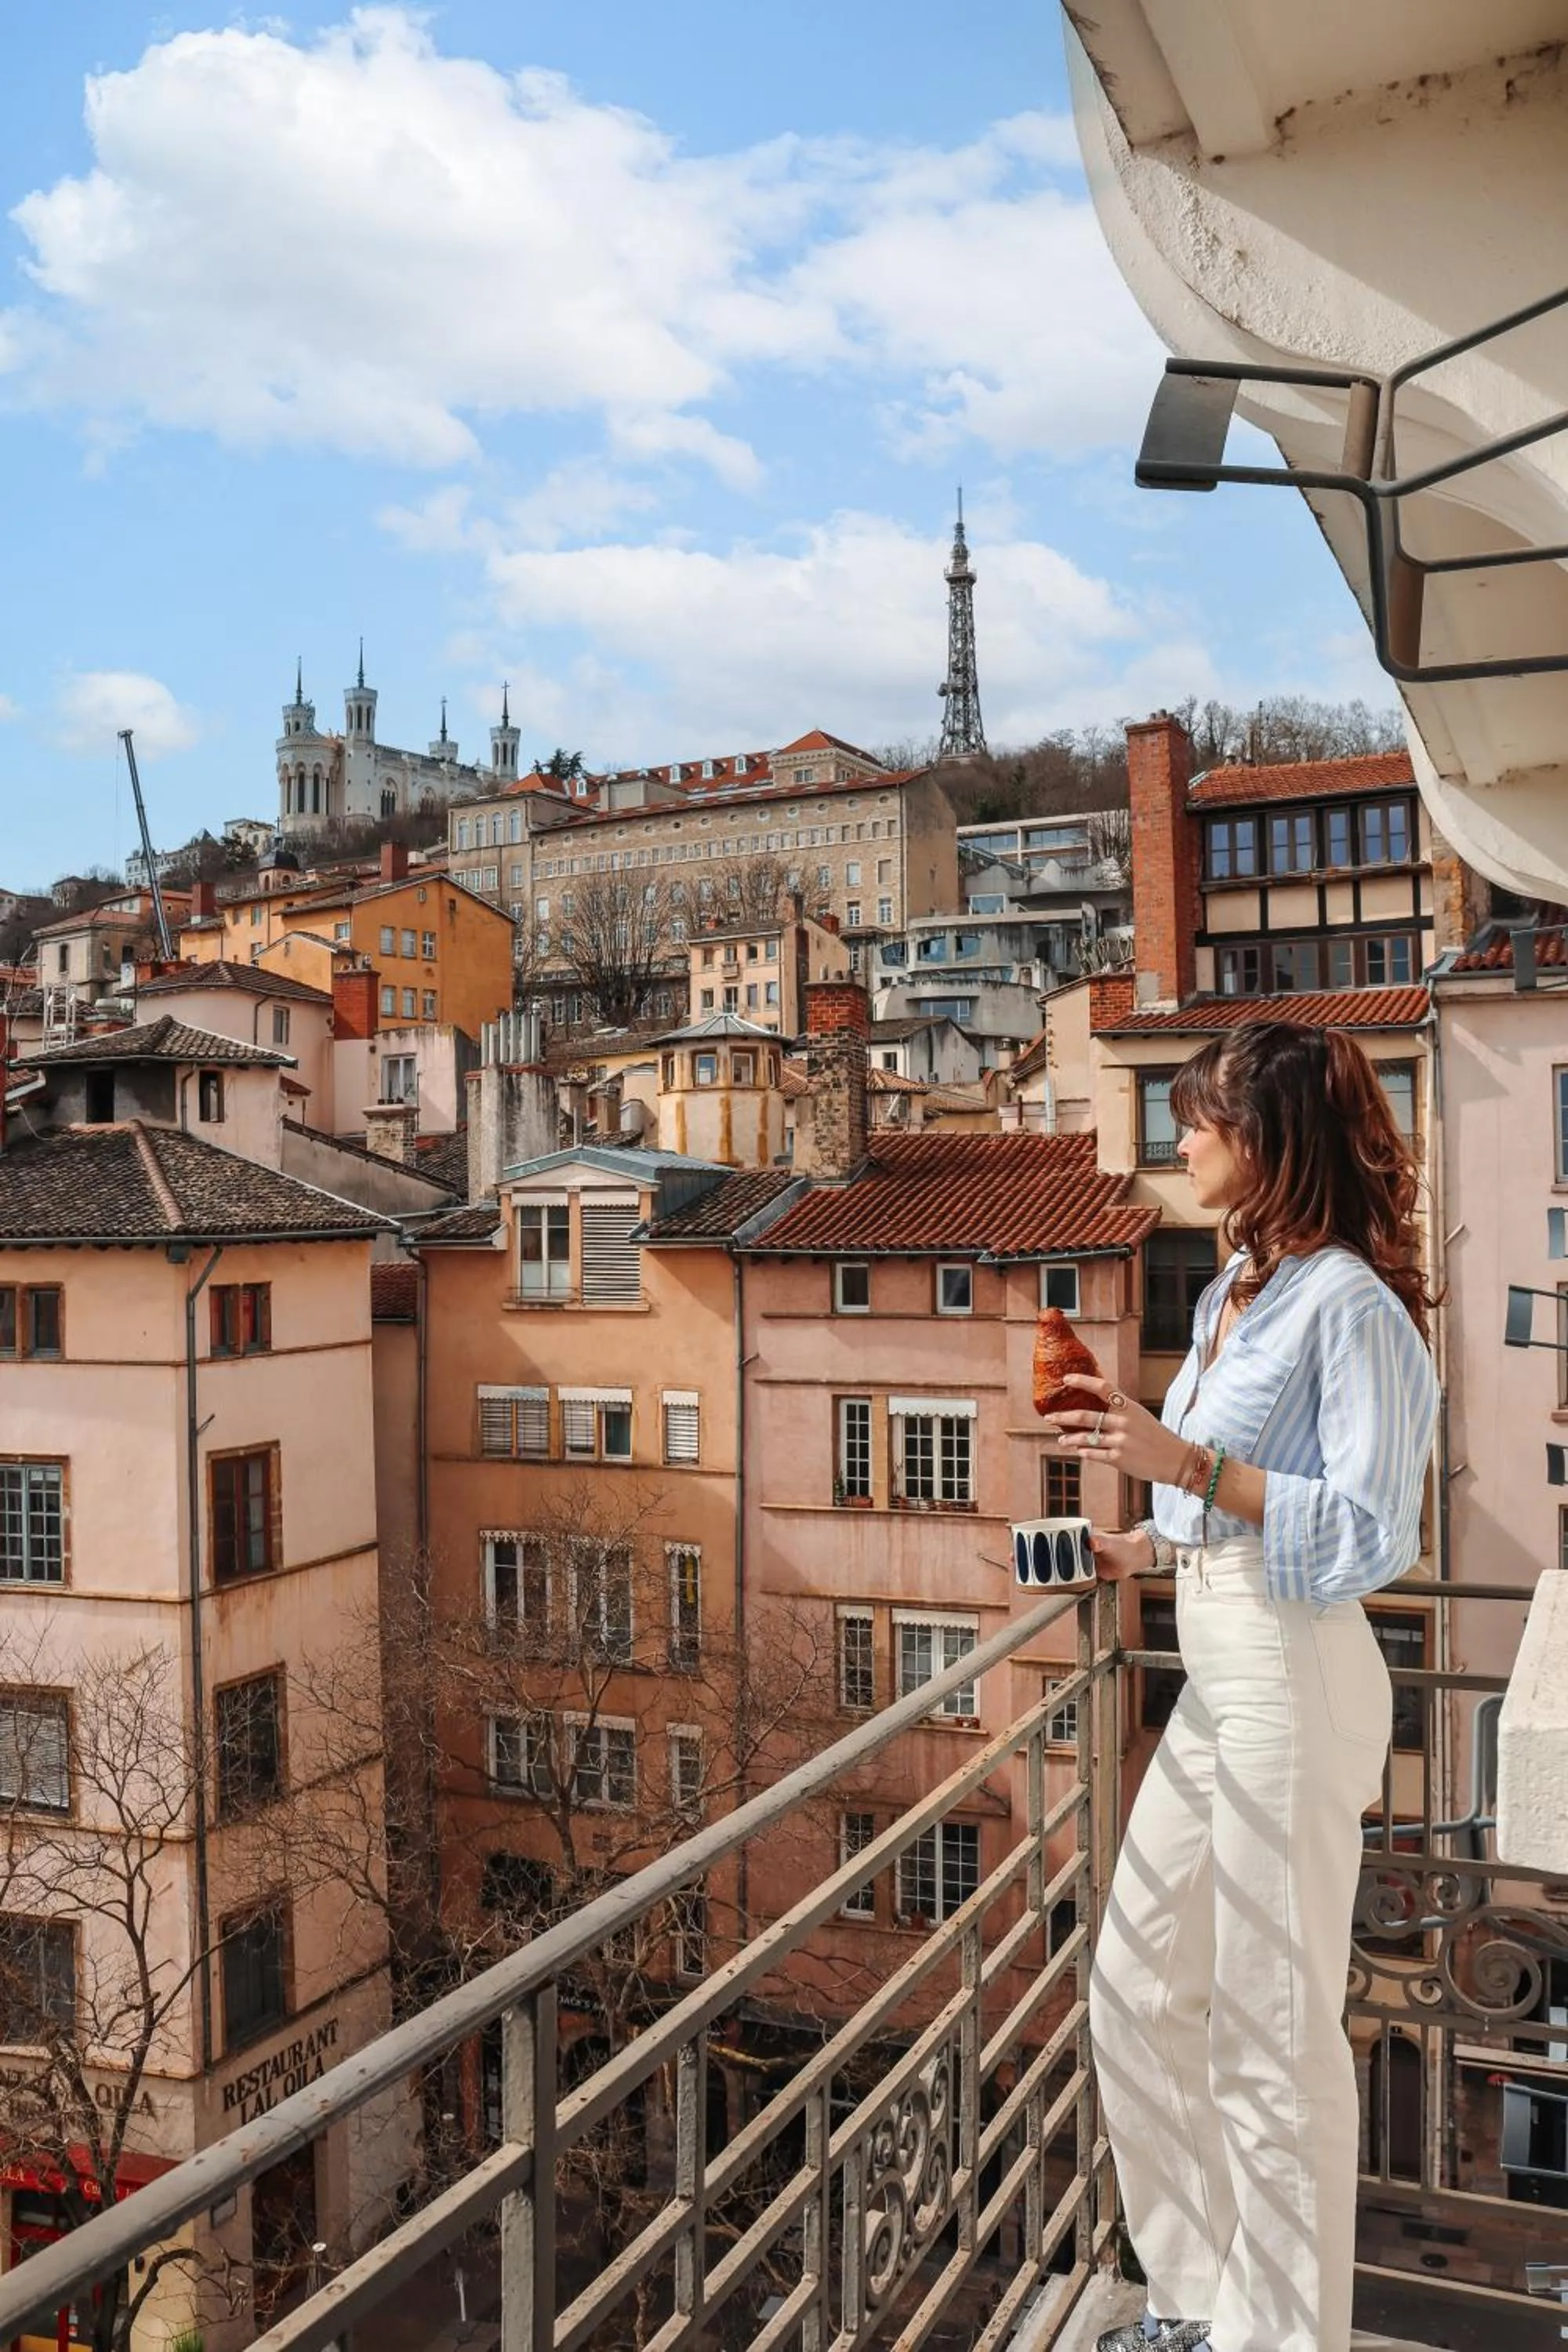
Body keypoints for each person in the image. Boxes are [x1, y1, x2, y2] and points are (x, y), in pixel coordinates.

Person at [1040, 1021, 1439, 2352]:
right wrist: (1134, 1541)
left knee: (1273, 2039)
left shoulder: (1353, 1308)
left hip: (1294, 1674)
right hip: (1215, 1676)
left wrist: (1182, 1464)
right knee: (1139, 1992)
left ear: (1270, 1141)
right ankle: (1199, 2299)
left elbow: (1377, 1529)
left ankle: (1281, 2342)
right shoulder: (1228, 1301)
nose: (1182, 1137)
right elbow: (1220, 1509)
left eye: (1202, 1116)